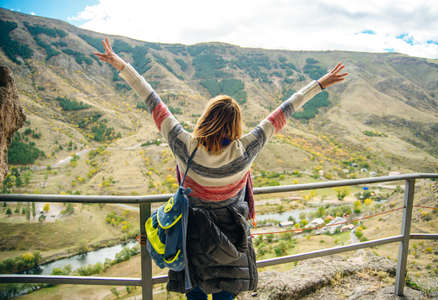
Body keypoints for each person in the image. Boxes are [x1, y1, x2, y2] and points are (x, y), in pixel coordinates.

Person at [94, 37, 347, 300]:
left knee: (195, 295)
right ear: (236, 124)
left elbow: (151, 99)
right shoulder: (246, 149)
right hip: (232, 237)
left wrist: (120, 64)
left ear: (205, 118)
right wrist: (319, 85)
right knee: (226, 294)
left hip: (192, 236)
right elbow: (284, 111)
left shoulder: (185, 146)